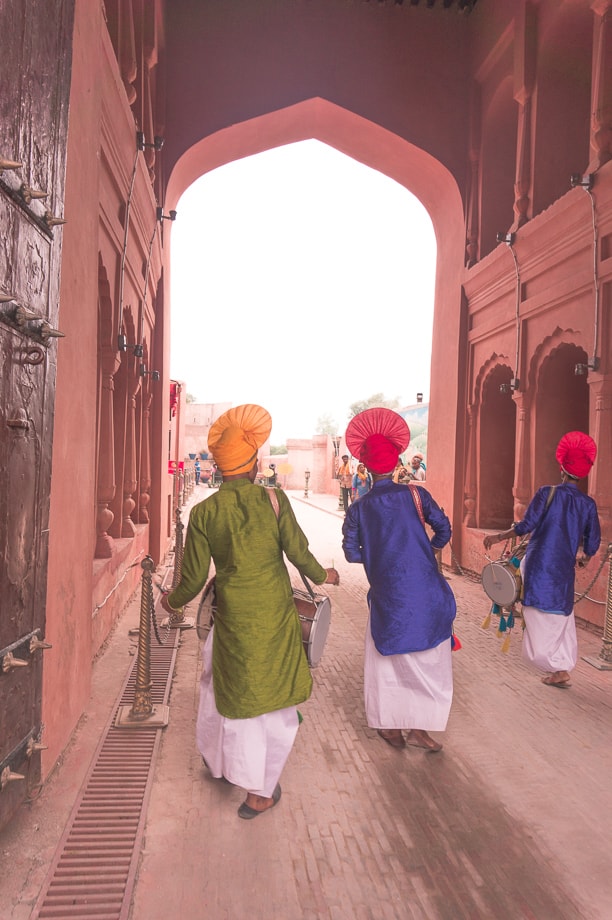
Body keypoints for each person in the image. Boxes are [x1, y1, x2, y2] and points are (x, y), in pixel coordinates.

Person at [161, 404, 339, 819]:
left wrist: (167, 602)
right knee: (271, 703)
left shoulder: (204, 512)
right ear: (255, 464)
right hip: (275, 619)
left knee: (225, 691)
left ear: (220, 469)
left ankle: (222, 765)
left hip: (231, 621)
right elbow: (299, 555)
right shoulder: (274, 501)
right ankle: (259, 792)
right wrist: (325, 574)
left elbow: (190, 583)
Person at [341, 407, 456, 752]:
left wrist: (380, 560)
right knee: (430, 661)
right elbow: (444, 529)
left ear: (366, 466)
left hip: (388, 600)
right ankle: (421, 730)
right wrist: (426, 551)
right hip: (428, 596)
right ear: (397, 463)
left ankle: (392, 730)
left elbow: (350, 553)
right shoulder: (417, 495)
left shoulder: (358, 508)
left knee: (387, 666)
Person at [483, 430, 601, 689]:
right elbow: (592, 543)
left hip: (538, 565)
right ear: (583, 473)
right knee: (562, 615)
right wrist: (584, 556)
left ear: (562, 468)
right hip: (563, 570)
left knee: (537, 614)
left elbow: (526, 526)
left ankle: (551, 663)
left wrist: (498, 536)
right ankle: (561, 669)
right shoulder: (588, 504)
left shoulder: (546, 493)